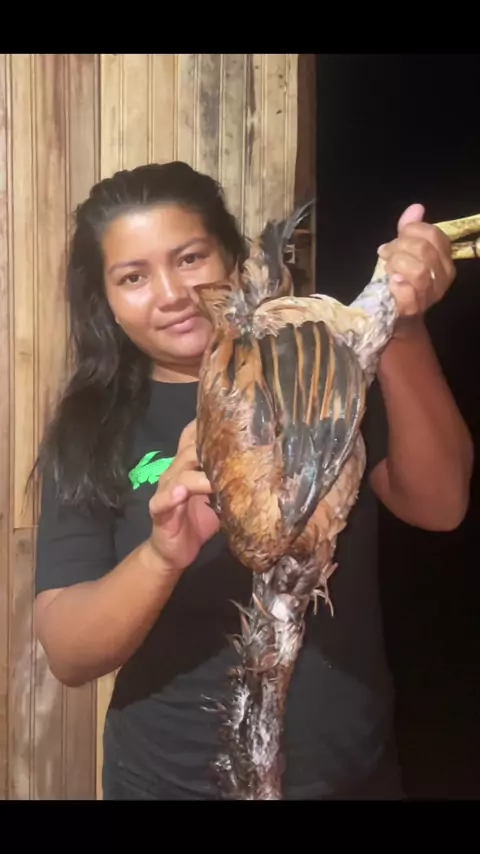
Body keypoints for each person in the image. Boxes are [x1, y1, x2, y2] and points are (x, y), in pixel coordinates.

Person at [33, 161, 473, 800]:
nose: (171, 293)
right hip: (165, 783)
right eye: (133, 277)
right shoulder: (93, 429)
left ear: (233, 258)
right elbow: (68, 654)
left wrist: (398, 323)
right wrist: (162, 555)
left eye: (190, 258)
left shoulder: (318, 370)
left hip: (349, 775)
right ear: (106, 300)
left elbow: (440, 505)